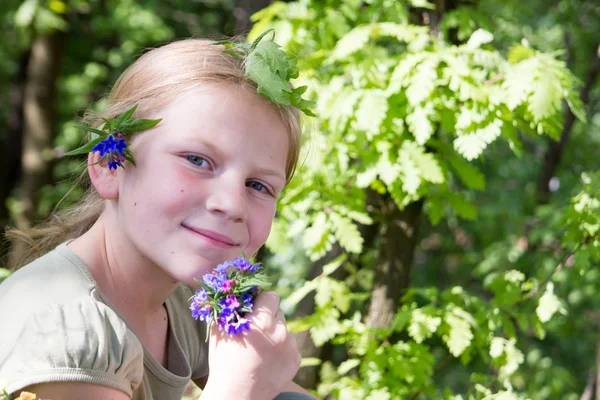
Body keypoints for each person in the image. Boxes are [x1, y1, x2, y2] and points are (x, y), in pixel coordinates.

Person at [0, 37, 315, 400]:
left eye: (258, 185)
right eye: (197, 160)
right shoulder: (64, 330)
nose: (232, 204)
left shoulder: (181, 301)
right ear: (109, 166)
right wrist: (239, 389)